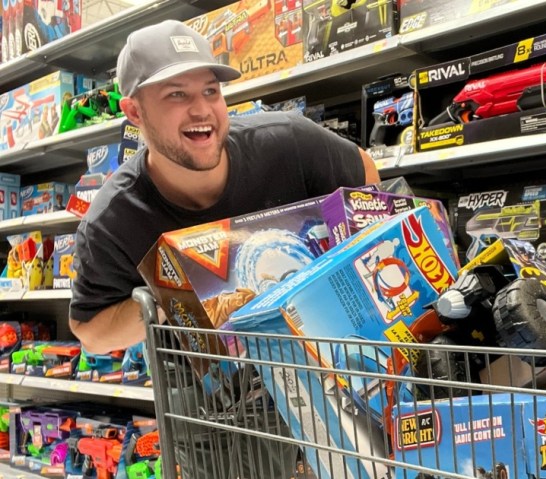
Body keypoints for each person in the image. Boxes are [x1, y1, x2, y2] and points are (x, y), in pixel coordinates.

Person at [68, 19, 379, 354]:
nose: (201, 109)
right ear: (134, 111)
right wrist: (173, 301)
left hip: (338, 349)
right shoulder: (113, 220)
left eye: (210, 91)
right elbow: (91, 333)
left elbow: (364, 169)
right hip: (214, 401)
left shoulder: (290, 142)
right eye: (177, 94)